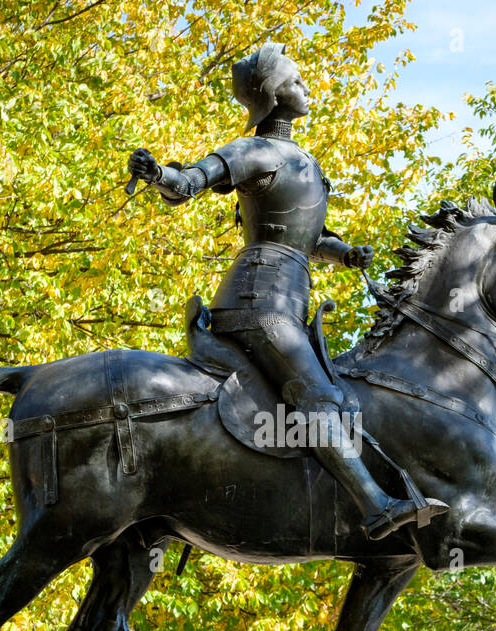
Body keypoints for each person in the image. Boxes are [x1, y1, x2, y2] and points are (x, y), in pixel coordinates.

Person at [127, 42, 446, 541]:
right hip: (258, 302)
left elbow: (308, 238)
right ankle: (377, 505)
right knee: (318, 394)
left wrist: (343, 253)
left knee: (336, 392)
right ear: (273, 95)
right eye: (295, 81)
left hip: (287, 303)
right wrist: (160, 175)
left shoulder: (303, 162)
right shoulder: (255, 150)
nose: (306, 87)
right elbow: (191, 181)